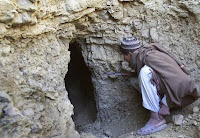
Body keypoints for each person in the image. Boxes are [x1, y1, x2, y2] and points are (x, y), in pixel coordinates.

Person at [119, 37, 200, 135]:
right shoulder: (145, 54)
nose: (124, 59)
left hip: (184, 93)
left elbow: (182, 81)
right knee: (134, 80)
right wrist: (131, 74)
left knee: (144, 73)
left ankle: (156, 119)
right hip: (174, 90)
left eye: (124, 56)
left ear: (130, 54)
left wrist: (166, 103)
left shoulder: (150, 57)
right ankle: (159, 107)